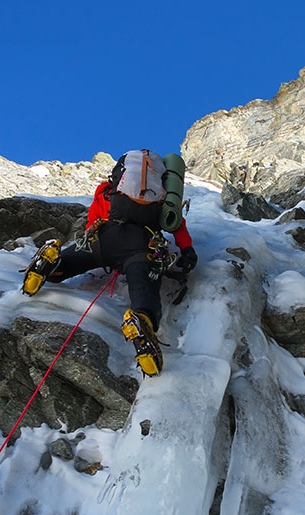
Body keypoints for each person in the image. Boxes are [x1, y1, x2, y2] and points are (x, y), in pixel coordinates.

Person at [21, 151, 197, 377]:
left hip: (104, 238)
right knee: (145, 291)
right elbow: (177, 225)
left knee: (69, 264)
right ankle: (141, 320)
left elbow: (92, 222)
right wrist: (187, 250)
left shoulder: (107, 190)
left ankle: (52, 263)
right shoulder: (161, 196)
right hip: (141, 247)